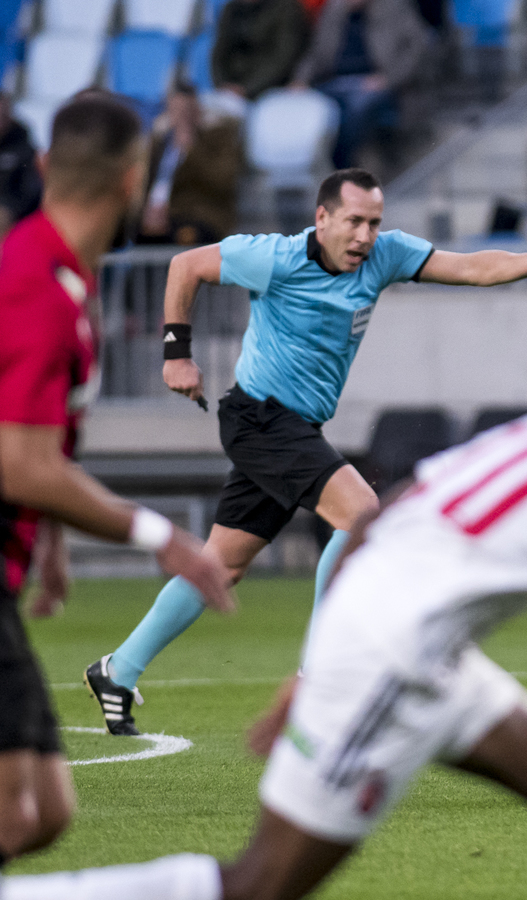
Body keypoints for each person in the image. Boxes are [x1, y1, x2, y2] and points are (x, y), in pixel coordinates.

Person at [4, 336, 527, 900]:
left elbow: (378, 519)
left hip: (411, 643)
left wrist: (316, 668)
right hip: (393, 655)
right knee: (260, 883)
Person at [81, 168, 527, 736]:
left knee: (221, 566)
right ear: (322, 218)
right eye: (354, 221)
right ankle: (321, 679)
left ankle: (118, 669)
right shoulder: (274, 257)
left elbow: (470, 268)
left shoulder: (385, 255)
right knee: (361, 516)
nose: (364, 236)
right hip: (259, 419)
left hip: (297, 428)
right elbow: (186, 265)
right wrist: (177, 354)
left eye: (374, 223)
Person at [0, 95, 236, 869]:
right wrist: (162, 537)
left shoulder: (53, 273)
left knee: (44, 813)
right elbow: (21, 462)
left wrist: (51, 541)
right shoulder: (38, 287)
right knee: (19, 811)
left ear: (44, 167)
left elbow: (29, 442)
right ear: (134, 180)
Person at [291, 0, 432, 169]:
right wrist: (300, 79)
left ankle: (340, 164)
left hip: (378, 84)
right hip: (335, 81)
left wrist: (388, 79)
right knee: (307, 106)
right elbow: (316, 53)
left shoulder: (393, 7)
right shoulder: (333, 11)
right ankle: (301, 169)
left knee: (357, 107)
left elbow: (418, 48)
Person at [136, 84, 244, 245]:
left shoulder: (219, 137)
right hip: (154, 216)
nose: (181, 117)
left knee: (187, 235)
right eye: (176, 110)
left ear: (198, 109)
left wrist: (190, 148)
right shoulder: (159, 140)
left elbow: (222, 181)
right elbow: (143, 179)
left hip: (199, 216)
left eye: (186, 111)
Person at [213, 0, 312, 102]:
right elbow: (219, 53)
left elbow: (282, 58)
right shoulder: (231, 9)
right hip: (230, 89)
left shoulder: (286, 9)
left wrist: (246, 89)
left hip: (272, 90)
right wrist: (222, 85)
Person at [0, 92, 42, 238]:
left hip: (12, 216)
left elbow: (31, 190)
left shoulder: (24, 150)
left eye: (3, 115)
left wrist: (9, 209)